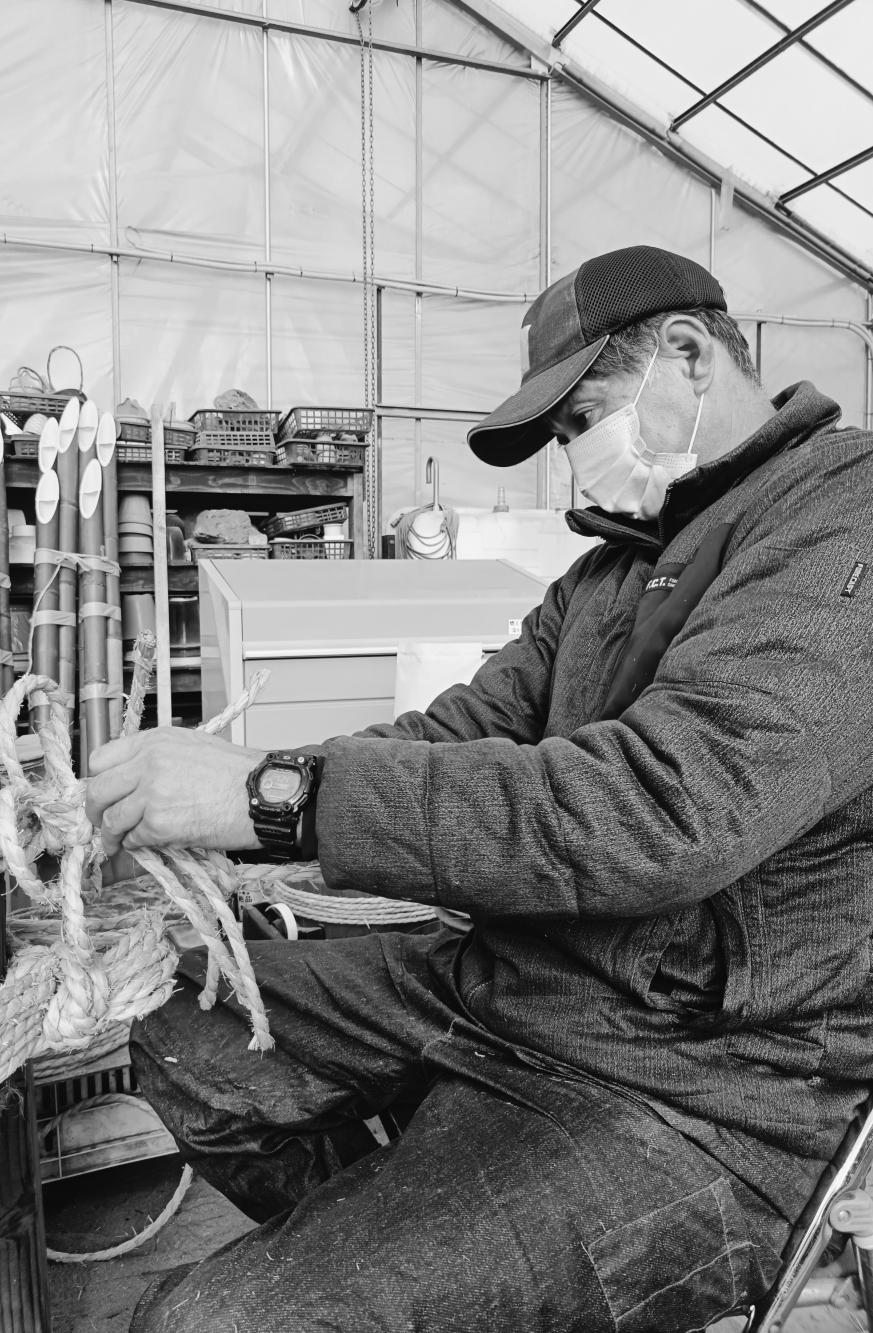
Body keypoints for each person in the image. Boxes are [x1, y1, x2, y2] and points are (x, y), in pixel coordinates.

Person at [86, 245, 873, 1333]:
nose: (575, 460)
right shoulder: (609, 570)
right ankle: (402, 1249)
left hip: (701, 1081)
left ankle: (391, 1266)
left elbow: (664, 810)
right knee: (178, 1020)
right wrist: (217, 813)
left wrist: (274, 797)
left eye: (581, 419)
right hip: (515, 982)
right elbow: (457, 732)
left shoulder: (840, 520)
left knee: (207, 1324)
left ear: (689, 354)